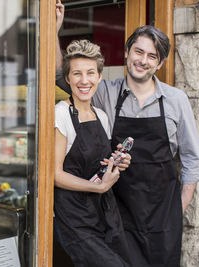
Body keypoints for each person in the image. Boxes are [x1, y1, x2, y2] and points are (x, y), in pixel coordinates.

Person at [55, 1, 199, 266]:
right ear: (126, 52)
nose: (143, 61)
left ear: (159, 63)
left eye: (152, 56)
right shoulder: (105, 92)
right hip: (119, 214)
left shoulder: (176, 100)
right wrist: (55, 31)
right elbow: (63, 76)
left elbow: (192, 158)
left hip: (163, 216)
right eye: (139, 52)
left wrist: (177, 211)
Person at [54, 39, 131, 267]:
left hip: (103, 211)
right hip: (74, 217)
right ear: (68, 78)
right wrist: (97, 186)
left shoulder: (101, 116)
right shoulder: (60, 114)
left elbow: (99, 164)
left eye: (90, 73)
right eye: (77, 74)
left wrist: (116, 164)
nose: (84, 80)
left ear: (99, 76)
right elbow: (55, 174)